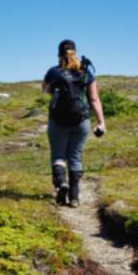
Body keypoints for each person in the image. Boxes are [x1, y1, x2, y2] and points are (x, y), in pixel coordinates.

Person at [42, 40, 106, 207]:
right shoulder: (85, 71)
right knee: (75, 157)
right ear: (75, 52)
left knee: (58, 156)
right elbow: (93, 99)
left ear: (58, 54)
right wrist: (101, 123)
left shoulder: (54, 72)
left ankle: (61, 184)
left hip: (58, 120)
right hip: (81, 120)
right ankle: (75, 197)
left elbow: (45, 90)